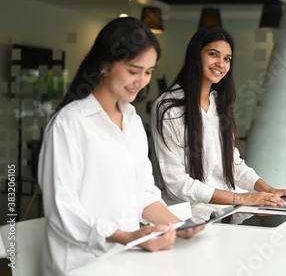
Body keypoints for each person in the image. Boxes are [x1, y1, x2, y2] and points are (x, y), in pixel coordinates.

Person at [38, 17, 203, 276]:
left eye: (148, 72)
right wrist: (127, 236)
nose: (142, 81)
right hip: (81, 266)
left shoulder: (133, 121)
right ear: (104, 65)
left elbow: (144, 193)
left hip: (126, 261)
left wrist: (179, 225)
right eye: (133, 70)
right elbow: (62, 209)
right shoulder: (69, 123)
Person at [151, 26, 286, 206]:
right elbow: (177, 183)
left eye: (227, 59)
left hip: (227, 206)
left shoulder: (218, 103)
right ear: (196, 55)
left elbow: (233, 164)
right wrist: (241, 199)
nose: (221, 63)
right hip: (192, 212)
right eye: (213, 54)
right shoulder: (168, 109)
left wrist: (270, 191)